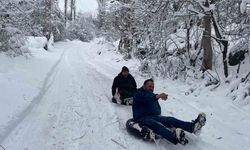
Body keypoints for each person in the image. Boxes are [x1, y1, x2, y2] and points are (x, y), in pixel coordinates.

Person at [132, 79, 206, 145]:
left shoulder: (151, 95)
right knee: (156, 124)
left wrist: (160, 116)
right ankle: (174, 137)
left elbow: (156, 109)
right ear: (144, 86)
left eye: (153, 87)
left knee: (170, 119)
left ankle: (192, 127)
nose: (151, 88)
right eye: (149, 86)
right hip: (141, 118)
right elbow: (145, 98)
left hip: (152, 116)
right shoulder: (138, 93)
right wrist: (158, 96)